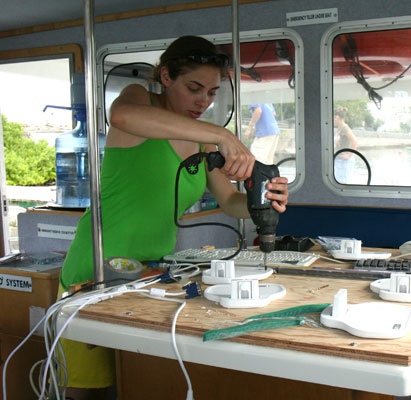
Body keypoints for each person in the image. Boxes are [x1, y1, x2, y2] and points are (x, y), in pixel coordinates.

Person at [58, 35, 289, 399]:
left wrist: (261, 201)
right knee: (88, 391)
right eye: (193, 88)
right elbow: (120, 114)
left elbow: (229, 200)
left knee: (138, 379)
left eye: (212, 93)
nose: (203, 101)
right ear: (165, 77)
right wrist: (221, 134)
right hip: (97, 269)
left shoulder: (202, 139)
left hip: (150, 274)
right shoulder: (139, 100)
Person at [333, 106, 358, 183]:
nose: (333, 120)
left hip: (345, 161)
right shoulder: (339, 128)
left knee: (343, 182)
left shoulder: (345, 128)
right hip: (339, 160)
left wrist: (349, 155)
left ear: (338, 118)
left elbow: (355, 142)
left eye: (334, 118)